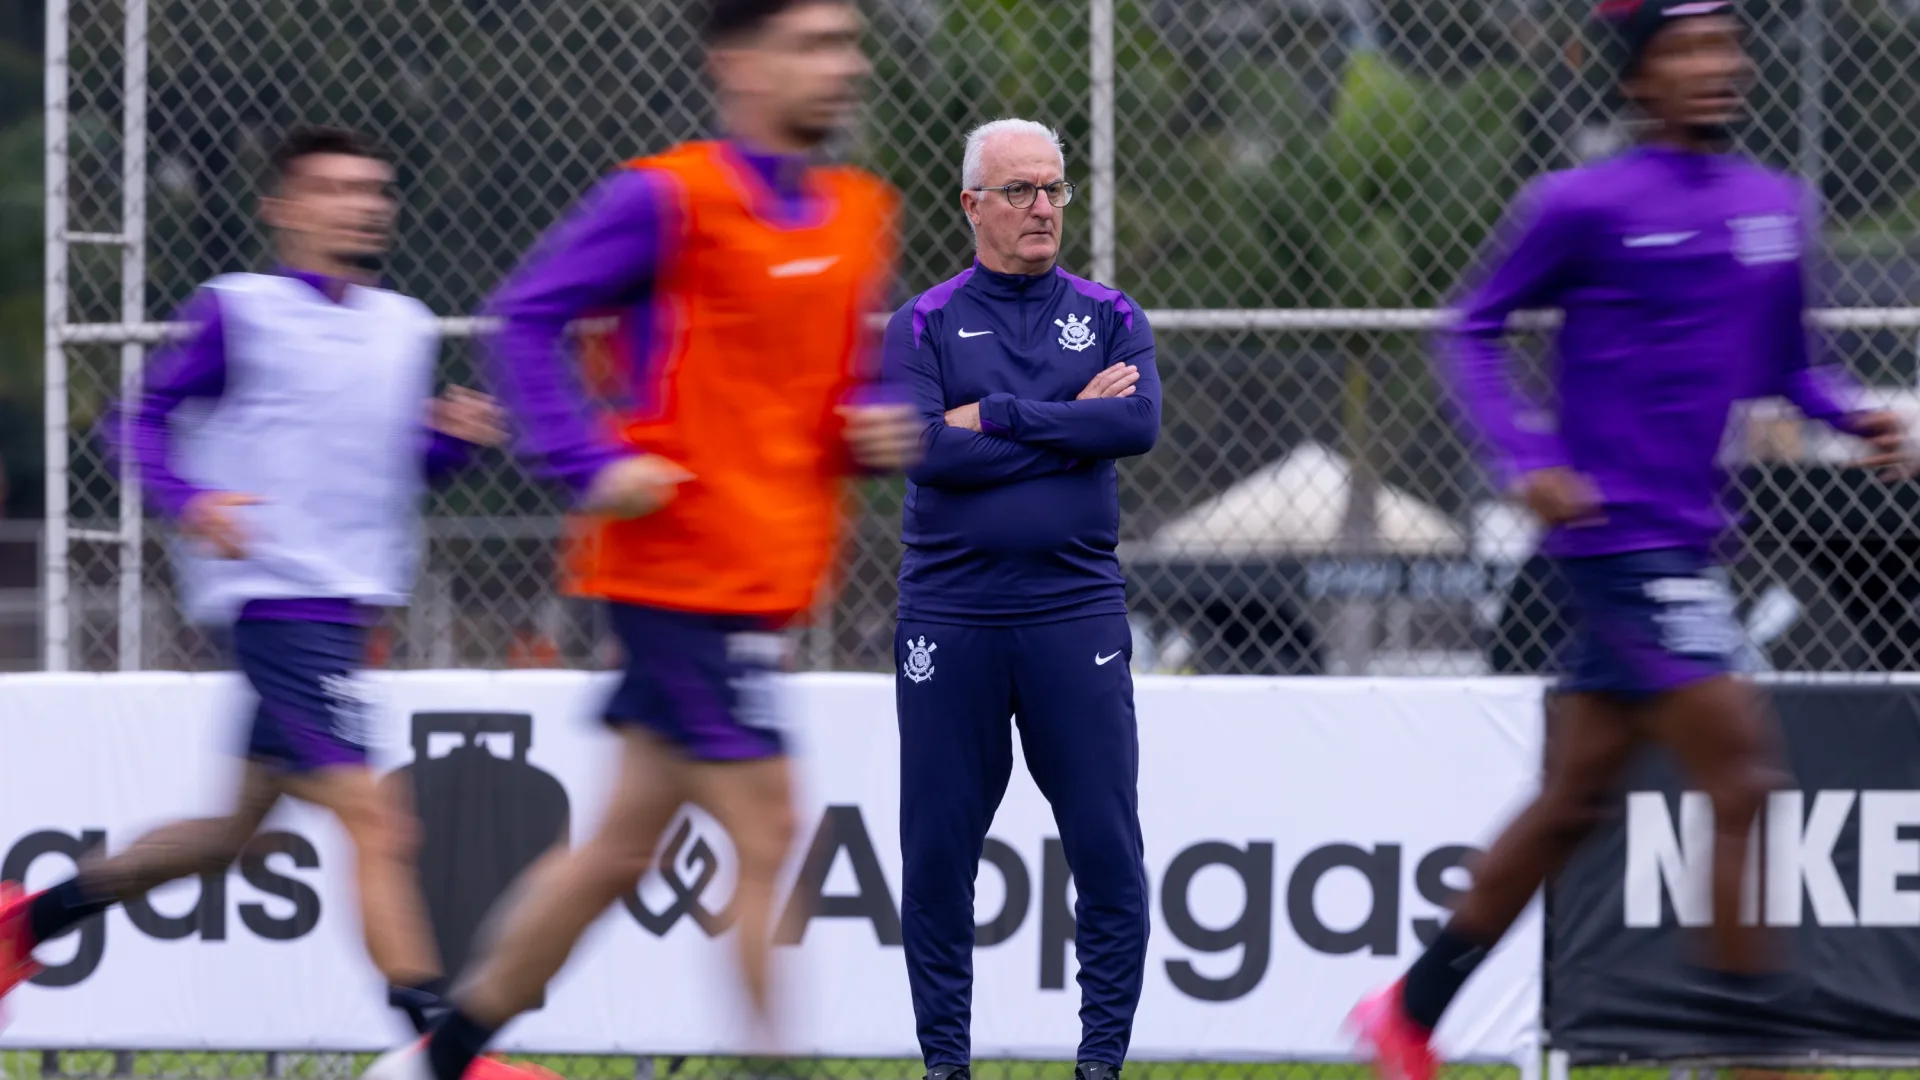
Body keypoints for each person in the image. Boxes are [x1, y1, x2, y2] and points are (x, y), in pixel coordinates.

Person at [1348, 5, 1910, 1079]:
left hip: (1690, 542)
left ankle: (1409, 1013)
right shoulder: (1582, 204)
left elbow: (1793, 368)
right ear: (1637, 80)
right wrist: (1526, 458)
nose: (1714, 66)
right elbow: (1469, 329)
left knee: (1573, 803)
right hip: (1616, 543)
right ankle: (1758, 1061)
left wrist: (1856, 418)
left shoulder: (1777, 209)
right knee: (1744, 781)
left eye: (1724, 45)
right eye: (1683, 51)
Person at [364, 2, 915, 1078]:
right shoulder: (670, 197)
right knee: (766, 835)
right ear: (739, 66)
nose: (843, 65)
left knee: (620, 852)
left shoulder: (862, 213)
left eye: (850, 42)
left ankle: (439, 1058)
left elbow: (823, 390)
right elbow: (520, 319)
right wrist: (585, 460)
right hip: (680, 577)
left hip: (768, 579)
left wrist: (866, 426)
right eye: (813, 44)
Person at [0, 126, 518, 1062]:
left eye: (375, 188)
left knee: (230, 836)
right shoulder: (238, 312)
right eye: (334, 189)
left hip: (351, 611)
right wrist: (193, 501)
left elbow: (387, 469)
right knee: (376, 819)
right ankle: (446, 1055)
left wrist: (454, 444)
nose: (363, 204)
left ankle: (25, 927)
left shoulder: (402, 323)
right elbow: (133, 424)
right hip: (280, 603)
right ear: (281, 207)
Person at [885, 117, 1161, 1080]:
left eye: (1053, 189)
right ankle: (945, 1067)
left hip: (1072, 613)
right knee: (936, 858)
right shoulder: (924, 321)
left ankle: (1101, 1065)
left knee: (1107, 850)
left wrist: (998, 415)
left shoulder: (1111, 313)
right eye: (1019, 191)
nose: (1043, 207)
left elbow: (1134, 423)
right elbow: (921, 450)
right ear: (972, 205)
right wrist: (1066, 422)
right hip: (950, 618)